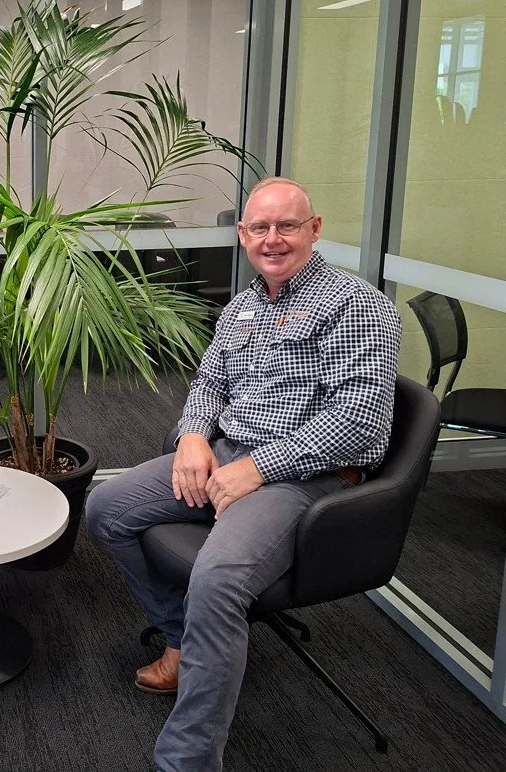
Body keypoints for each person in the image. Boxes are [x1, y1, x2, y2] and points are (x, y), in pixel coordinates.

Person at [87, 177, 401, 771]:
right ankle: (185, 640)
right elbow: (210, 383)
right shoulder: (245, 303)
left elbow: (360, 426)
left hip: (308, 476)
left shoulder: (357, 306)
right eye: (260, 227)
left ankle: (189, 759)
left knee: (218, 577)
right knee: (107, 509)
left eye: (287, 225)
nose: (273, 239)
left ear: (315, 228)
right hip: (231, 453)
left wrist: (257, 468)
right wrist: (194, 437)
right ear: (242, 235)